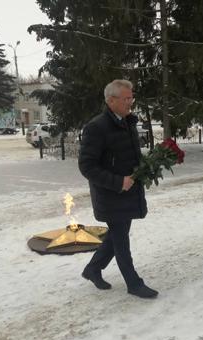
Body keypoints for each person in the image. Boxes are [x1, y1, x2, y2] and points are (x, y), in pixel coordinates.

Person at [78, 79, 158, 299]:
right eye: (126, 98)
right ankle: (133, 283)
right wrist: (117, 182)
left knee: (116, 236)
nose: (130, 102)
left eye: (131, 97)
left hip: (129, 192)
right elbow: (87, 166)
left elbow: (128, 157)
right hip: (110, 194)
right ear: (111, 100)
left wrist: (146, 168)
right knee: (121, 240)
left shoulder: (127, 122)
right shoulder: (96, 128)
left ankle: (93, 269)